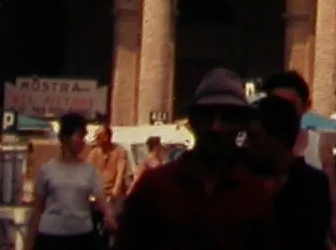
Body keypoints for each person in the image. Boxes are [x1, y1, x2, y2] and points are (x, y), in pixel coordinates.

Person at [116, 68, 277, 250]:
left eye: (227, 117)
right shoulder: (154, 187)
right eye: (208, 115)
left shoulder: (253, 194)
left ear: (241, 124)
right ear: (193, 120)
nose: (216, 127)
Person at [249, 94, 332, 250]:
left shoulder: (312, 185)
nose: (248, 145)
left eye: (254, 137)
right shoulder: (244, 181)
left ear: (279, 139)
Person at [28, 112, 105, 250]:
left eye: (84, 136)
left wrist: (110, 217)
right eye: (79, 136)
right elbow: (37, 208)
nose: (83, 141)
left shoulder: (89, 171)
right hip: (51, 236)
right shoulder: (47, 170)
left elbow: (102, 200)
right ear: (65, 138)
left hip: (81, 236)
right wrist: (29, 242)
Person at [86, 123, 135, 228]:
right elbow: (88, 172)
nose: (97, 139)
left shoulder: (120, 151)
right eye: (96, 136)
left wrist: (115, 190)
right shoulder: (94, 153)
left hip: (113, 196)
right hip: (98, 195)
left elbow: (120, 172)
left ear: (107, 137)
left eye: (99, 136)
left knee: (114, 222)